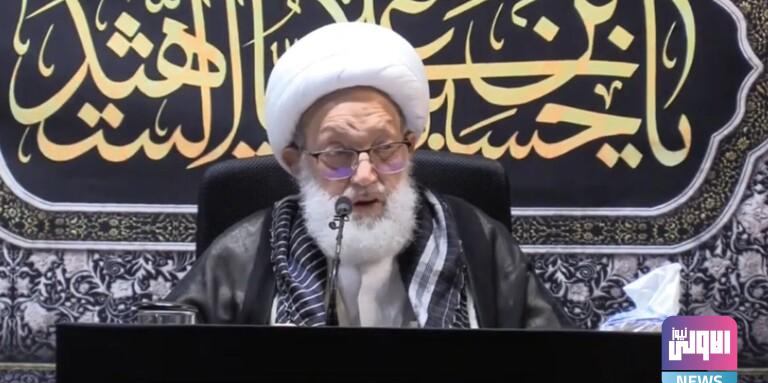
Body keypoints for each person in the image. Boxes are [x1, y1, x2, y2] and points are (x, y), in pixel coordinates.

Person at [166, 22, 570, 328]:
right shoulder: (241, 256)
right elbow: (165, 365)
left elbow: (558, 367)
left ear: (410, 147)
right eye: (338, 153)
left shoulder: (479, 241)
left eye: (385, 148)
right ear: (296, 162)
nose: (364, 175)